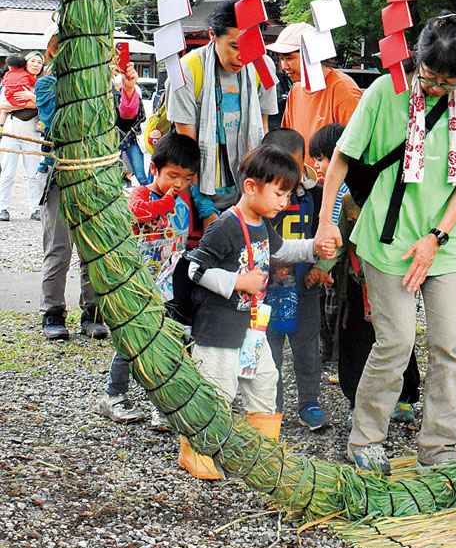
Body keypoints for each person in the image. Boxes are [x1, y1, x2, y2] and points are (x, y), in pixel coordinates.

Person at [316, 13, 456, 477]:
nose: (436, 88)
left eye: (448, 82)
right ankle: (366, 439)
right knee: (395, 343)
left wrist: (435, 238)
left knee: (447, 347)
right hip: (386, 237)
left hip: (443, 242)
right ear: (417, 61)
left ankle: (439, 446)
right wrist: (325, 222)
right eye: (429, 78)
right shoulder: (384, 92)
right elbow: (340, 159)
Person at [185, 144, 331, 478]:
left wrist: (313, 247)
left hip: (252, 327)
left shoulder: (263, 223)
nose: (285, 202)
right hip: (218, 332)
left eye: (288, 194)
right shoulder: (224, 226)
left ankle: (262, 451)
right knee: (216, 392)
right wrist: (238, 282)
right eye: (280, 194)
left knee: (265, 381)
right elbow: (195, 270)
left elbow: (281, 250)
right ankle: (196, 452)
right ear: (251, 187)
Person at [97, 133, 215, 427]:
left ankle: (163, 403)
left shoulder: (187, 198)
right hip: (139, 282)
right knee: (131, 339)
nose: (179, 183)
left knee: (171, 341)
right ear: (154, 169)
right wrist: (166, 201)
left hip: (171, 283)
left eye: (187, 178)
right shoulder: (142, 195)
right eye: (173, 176)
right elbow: (138, 213)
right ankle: (114, 395)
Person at [310, 123, 420, 424]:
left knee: (399, 339)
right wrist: (322, 269)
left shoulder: (403, 197)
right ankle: (357, 403)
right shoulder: (348, 201)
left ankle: (405, 398)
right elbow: (340, 241)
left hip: (393, 280)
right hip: (356, 285)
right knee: (355, 344)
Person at [167, 0, 278, 211]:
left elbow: (262, 133)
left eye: (249, 46)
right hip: (196, 189)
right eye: (235, 46)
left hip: (247, 191)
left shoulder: (263, 67)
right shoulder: (187, 71)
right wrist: (203, 205)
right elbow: (185, 147)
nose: (242, 56)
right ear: (212, 36)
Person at [35, 22, 106, 341]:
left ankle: (92, 310)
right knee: (59, 247)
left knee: (92, 247)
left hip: (92, 175)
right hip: (59, 175)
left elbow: (113, 118)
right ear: (54, 50)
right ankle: (53, 312)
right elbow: (56, 122)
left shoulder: (96, 82)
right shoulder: (47, 83)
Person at [261, 127, 330, 432]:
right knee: (268, 351)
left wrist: (321, 266)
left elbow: (324, 233)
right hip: (266, 289)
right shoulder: (256, 198)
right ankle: (270, 406)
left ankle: (309, 401)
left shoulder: (315, 194)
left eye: (295, 168)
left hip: (304, 286)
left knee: (306, 347)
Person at [265, 22, 361, 166]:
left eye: (289, 58)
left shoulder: (343, 88)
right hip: (302, 182)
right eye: (281, 59)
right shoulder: (296, 90)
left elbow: (355, 148)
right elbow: (288, 143)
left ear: (311, 55)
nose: (284, 67)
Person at [0, 51, 45, 221]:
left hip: (32, 133)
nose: (36, 64)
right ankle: (2, 208)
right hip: (11, 131)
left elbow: (46, 105)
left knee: (33, 174)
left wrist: (30, 97)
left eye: (39, 62)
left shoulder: (42, 83)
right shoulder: (13, 79)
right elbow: (3, 104)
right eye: (32, 61)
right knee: (7, 172)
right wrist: (31, 102)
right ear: (25, 63)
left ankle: (35, 209)